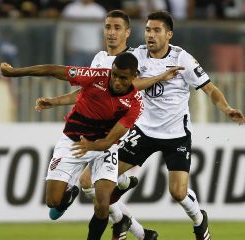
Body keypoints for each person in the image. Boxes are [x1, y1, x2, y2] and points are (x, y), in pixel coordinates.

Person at [36, 10, 245, 240]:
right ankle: (123, 205)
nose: (150, 35)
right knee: (91, 183)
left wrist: (226, 109)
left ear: (169, 35)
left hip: (176, 135)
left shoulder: (182, 58)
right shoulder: (137, 57)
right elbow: (115, 82)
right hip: (142, 131)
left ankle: (199, 220)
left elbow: (209, 88)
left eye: (156, 30)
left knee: (178, 192)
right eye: (147, 30)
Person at [0, 52, 152, 240]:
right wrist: (14, 73)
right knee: (53, 201)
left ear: (134, 77)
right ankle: (69, 194)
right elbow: (54, 70)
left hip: (104, 147)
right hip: (73, 141)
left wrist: (92, 146)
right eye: (114, 75)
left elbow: (110, 141)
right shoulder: (97, 76)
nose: (117, 81)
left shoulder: (135, 104)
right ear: (111, 70)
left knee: (103, 202)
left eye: (123, 78)